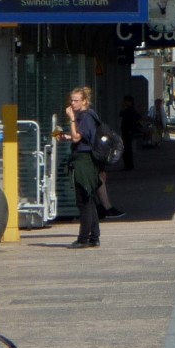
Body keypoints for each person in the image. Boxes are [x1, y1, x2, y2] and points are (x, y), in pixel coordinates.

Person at [62, 87, 102, 248]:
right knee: (89, 199)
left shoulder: (84, 117)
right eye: (71, 100)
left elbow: (77, 137)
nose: (72, 103)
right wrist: (66, 136)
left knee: (83, 200)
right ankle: (94, 237)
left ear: (84, 101)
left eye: (76, 100)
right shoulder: (91, 116)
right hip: (87, 159)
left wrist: (72, 118)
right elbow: (80, 137)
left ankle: (83, 238)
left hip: (84, 161)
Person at [119, 95, 142, 171]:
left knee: (127, 149)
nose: (124, 103)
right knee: (126, 148)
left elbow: (122, 114)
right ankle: (128, 165)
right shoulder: (129, 110)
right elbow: (121, 114)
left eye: (126, 101)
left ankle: (129, 165)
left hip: (128, 131)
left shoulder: (130, 111)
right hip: (127, 131)